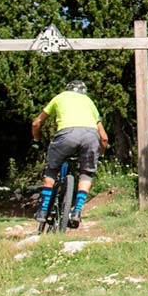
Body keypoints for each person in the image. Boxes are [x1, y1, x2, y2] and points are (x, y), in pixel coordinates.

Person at [32, 80, 109, 228]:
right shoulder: (89, 101)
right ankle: (77, 211)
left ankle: (43, 210)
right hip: (90, 136)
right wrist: (101, 153)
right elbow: (104, 137)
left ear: (68, 89)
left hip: (67, 135)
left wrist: (36, 140)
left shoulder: (60, 97)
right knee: (86, 173)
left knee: (52, 170)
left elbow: (36, 123)